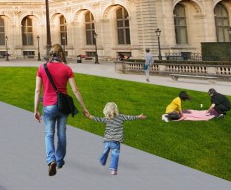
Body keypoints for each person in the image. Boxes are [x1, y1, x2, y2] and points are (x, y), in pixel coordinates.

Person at [33, 44, 90, 176]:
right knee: (62, 134)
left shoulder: (42, 68)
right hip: (63, 106)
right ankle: (59, 161)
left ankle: (51, 160)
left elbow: (37, 90)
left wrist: (35, 109)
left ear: (50, 54)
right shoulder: (67, 69)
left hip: (48, 105)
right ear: (61, 55)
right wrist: (84, 108)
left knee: (49, 134)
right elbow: (75, 90)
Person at [86, 102, 146, 175]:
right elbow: (130, 117)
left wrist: (90, 116)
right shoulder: (121, 117)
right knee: (115, 155)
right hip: (116, 141)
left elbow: (99, 119)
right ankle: (113, 170)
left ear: (106, 110)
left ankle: (102, 161)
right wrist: (138, 116)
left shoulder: (107, 118)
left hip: (107, 140)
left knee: (105, 151)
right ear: (116, 109)